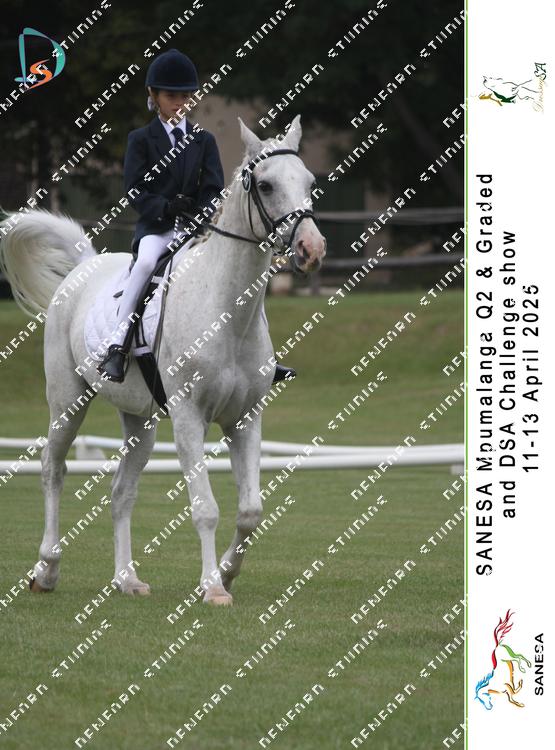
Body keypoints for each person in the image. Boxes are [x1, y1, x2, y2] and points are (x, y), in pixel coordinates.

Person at [97, 48, 296, 384]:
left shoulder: (203, 140)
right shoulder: (141, 140)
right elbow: (135, 189)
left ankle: (265, 355)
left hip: (195, 230)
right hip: (157, 229)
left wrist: (199, 213)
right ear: (153, 95)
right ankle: (118, 344)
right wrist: (164, 207)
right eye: (171, 96)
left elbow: (213, 187)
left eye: (185, 96)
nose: (179, 103)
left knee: (242, 273)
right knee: (144, 265)